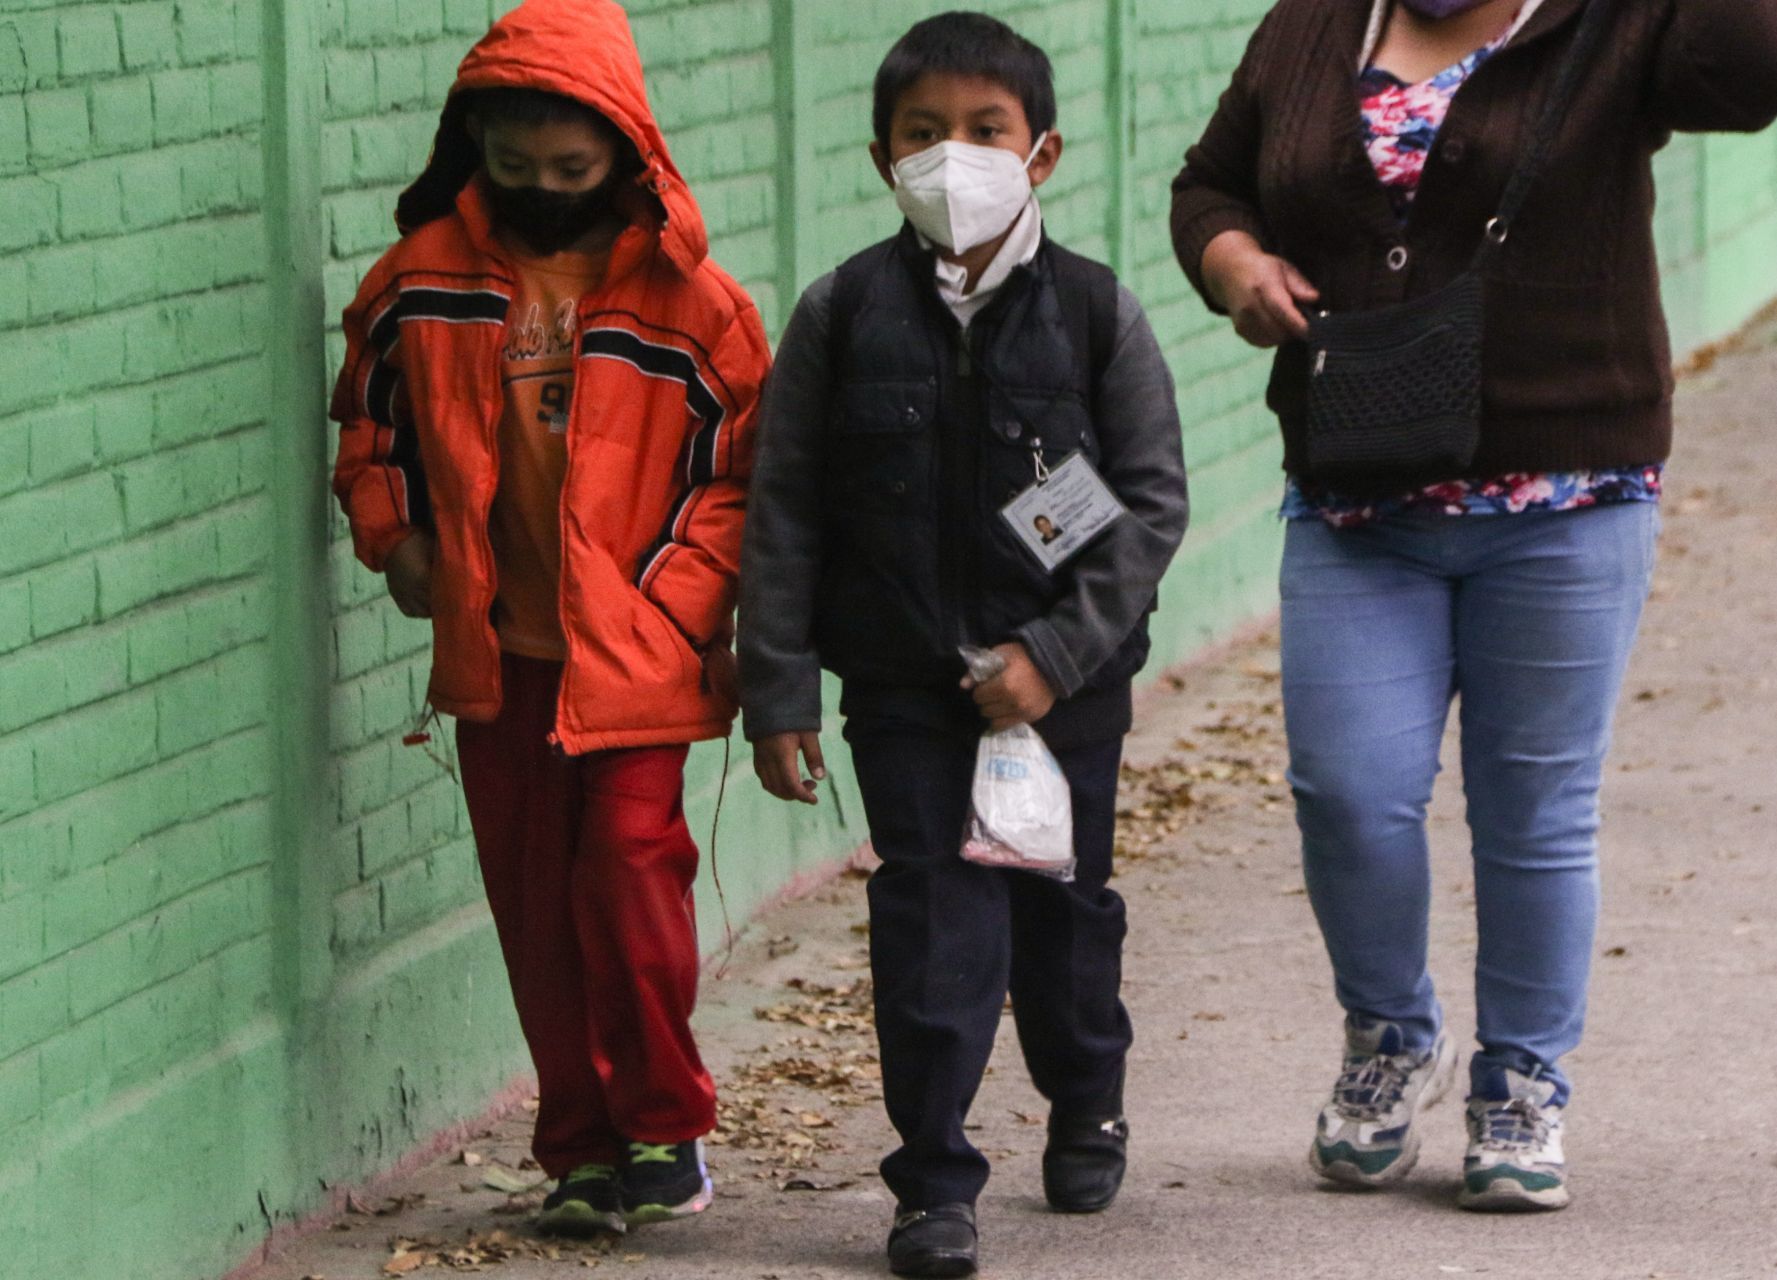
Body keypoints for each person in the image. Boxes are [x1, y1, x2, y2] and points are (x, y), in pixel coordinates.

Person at [1172, 0, 1777, 1213]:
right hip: (1358, 494)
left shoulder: (1618, 25)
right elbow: (1211, 183)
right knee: (1347, 789)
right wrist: (1230, 260)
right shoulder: (1313, 26)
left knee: (1534, 807)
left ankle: (1521, 1080)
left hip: (1566, 492)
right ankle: (1390, 1038)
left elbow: (1751, 74)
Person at [739, 13, 1189, 1276]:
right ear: (881, 156)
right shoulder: (841, 313)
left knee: (1059, 918)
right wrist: (773, 685)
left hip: (1065, 692)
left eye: (983, 131)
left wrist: (1054, 652)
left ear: (1038, 152)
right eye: (922, 133)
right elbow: (784, 508)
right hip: (902, 687)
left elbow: (1145, 504)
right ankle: (933, 1178)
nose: (953, 157)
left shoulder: (1095, 314)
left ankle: (1083, 1091)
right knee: (933, 924)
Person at [329, 0, 768, 1238]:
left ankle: (663, 1127)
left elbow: (740, 473)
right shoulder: (415, 281)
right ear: (475, 147)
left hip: (636, 663)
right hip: (497, 659)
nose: (541, 189)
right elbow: (367, 430)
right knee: (534, 909)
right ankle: (577, 1153)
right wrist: (399, 543)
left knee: (626, 883)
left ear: (627, 152)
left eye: (570, 170)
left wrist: (669, 608)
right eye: (514, 167)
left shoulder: (699, 305)